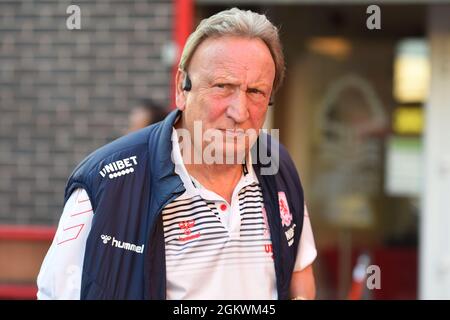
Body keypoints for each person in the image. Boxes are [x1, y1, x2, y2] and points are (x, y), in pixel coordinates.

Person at [37, 8, 317, 300]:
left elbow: (299, 275)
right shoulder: (107, 183)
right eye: (223, 86)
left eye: (256, 92)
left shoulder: (279, 169)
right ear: (181, 89)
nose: (239, 111)